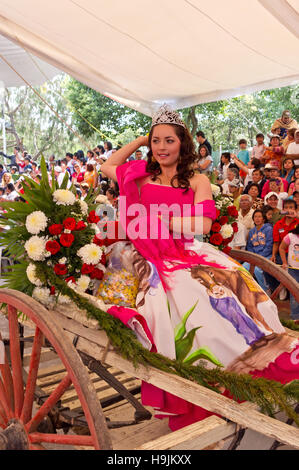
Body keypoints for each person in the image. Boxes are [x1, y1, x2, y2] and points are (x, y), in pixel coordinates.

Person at [100, 104, 299, 431]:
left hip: (185, 247)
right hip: (146, 253)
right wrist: (140, 139)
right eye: (156, 142)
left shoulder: (196, 179)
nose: (161, 148)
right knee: (191, 292)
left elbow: (203, 222)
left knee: (233, 280)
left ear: (183, 144)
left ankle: (257, 354)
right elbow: (109, 164)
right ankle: (206, 376)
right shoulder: (140, 175)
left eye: (169, 141)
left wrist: (160, 218)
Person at [243, 209, 273, 292]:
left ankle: (266, 289)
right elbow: (249, 246)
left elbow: (269, 246)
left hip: (266, 256)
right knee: (243, 268)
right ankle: (250, 288)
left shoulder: (268, 229)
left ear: (263, 218)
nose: (257, 219)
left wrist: (259, 257)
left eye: (259, 217)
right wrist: (253, 257)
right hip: (254, 257)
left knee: (257, 270)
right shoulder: (252, 231)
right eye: (255, 217)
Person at [279, 225, 299, 321]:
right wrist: (284, 262)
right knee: (294, 293)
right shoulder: (290, 236)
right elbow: (282, 248)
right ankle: (295, 317)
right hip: (293, 269)